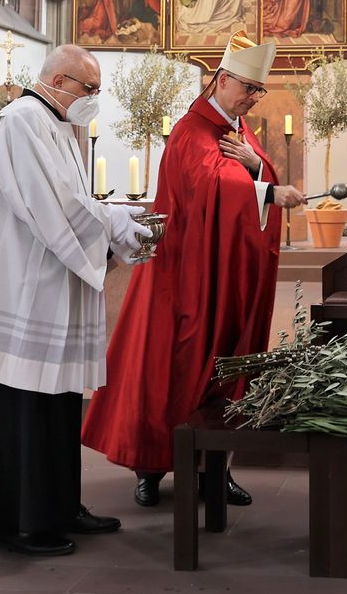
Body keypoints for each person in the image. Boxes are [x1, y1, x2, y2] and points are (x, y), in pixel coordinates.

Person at [82, 32, 308, 508]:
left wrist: (260, 171)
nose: (252, 98)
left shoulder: (236, 132)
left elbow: (246, 174)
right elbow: (208, 187)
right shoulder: (191, 130)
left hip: (221, 276)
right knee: (166, 369)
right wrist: (264, 187)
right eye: (248, 88)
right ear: (222, 80)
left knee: (224, 368)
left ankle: (215, 471)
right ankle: (148, 468)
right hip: (178, 278)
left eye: (258, 91)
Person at [0, 44, 151, 557]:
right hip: (21, 294)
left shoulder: (53, 123)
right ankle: (19, 520)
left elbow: (72, 203)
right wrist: (117, 225)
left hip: (47, 288)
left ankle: (58, 505)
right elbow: (53, 206)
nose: (93, 99)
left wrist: (112, 220)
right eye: (89, 89)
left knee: (56, 402)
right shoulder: (20, 122)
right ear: (59, 79)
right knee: (23, 405)